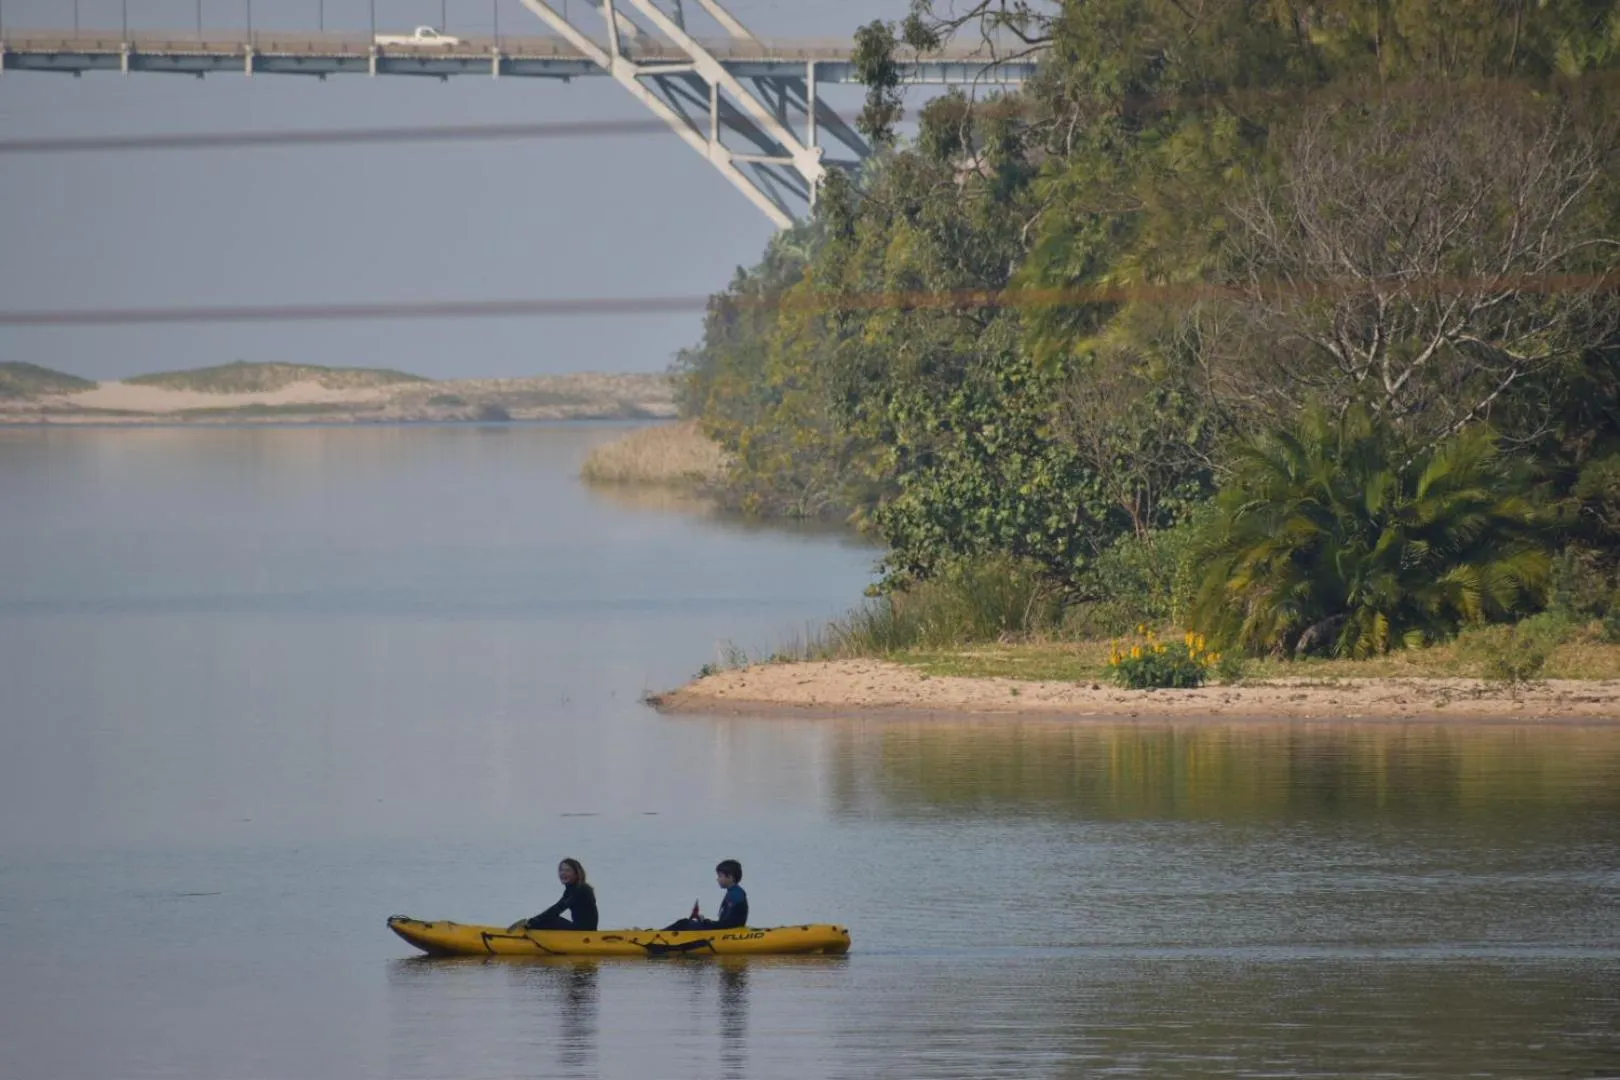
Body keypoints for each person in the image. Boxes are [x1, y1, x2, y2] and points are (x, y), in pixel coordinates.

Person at [511, 858, 599, 932]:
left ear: (576, 874)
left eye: (568, 870)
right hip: (581, 929)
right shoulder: (573, 888)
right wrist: (534, 920)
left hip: (585, 933)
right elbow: (557, 907)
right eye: (561, 870)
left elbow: (557, 909)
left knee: (550, 920)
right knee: (548, 919)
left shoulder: (580, 889)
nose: (563, 873)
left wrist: (532, 922)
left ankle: (525, 935)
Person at [663, 859, 748, 931]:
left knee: (683, 923)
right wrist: (706, 922)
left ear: (730, 877)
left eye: (720, 876)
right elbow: (727, 922)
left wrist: (707, 923)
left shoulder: (735, 894)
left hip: (727, 932)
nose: (717, 879)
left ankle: (657, 936)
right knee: (685, 923)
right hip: (725, 929)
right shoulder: (734, 892)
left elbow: (729, 924)